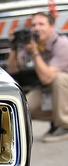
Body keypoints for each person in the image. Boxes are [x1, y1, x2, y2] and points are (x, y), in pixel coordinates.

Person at [7, 11, 68, 142]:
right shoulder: (33, 43)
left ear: (52, 27)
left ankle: (64, 125)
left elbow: (47, 78)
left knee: (59, 79)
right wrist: (14, 47)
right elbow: (12, 69)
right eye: (34, 25)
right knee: (24, 108)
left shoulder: (62, 44)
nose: (37, 28)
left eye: (41, 24)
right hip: (49, 89)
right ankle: (56, 120)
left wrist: (35, 53)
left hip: (63, 86)